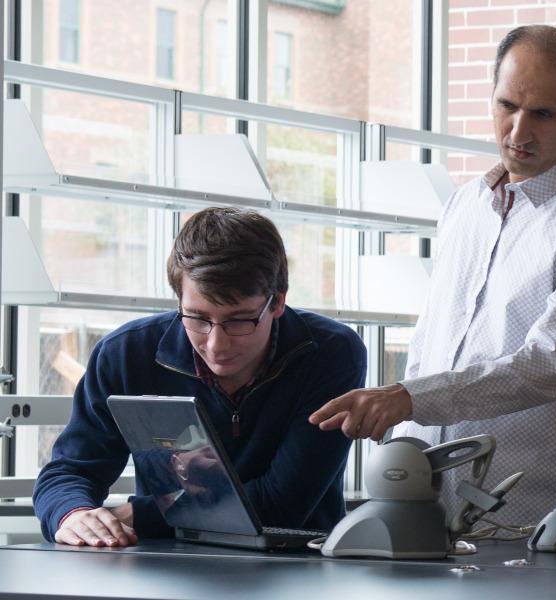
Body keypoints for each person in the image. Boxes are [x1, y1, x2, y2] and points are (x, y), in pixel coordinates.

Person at [309, 25, 556, 524]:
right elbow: (430, 344)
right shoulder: (465, 204)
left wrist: (407, 400)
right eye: (508, 105)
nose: (518, 132)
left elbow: (543, 367)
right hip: (421, 504)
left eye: (544, 114)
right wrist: (403, 446)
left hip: (527, 515)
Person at [33, 207, 366, 547]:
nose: (216, 343)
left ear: (277, 302)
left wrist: (137, 515)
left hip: (296, 567)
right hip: (167, 565)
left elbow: (281, 504)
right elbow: (68, 472)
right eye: (197, 317)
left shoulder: (330, 353)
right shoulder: (124, 355)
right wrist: (72, 514)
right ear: (179, 299)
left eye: (240, 320)